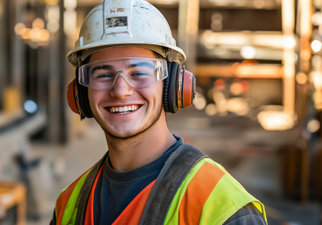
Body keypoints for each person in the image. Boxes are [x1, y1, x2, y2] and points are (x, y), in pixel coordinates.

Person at [51, 0, 267, 224]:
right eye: (103, 75)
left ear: (173, 85)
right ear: (80, 93)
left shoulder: (221, 208)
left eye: (139, 73)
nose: (121, 90)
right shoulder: (68, 204)